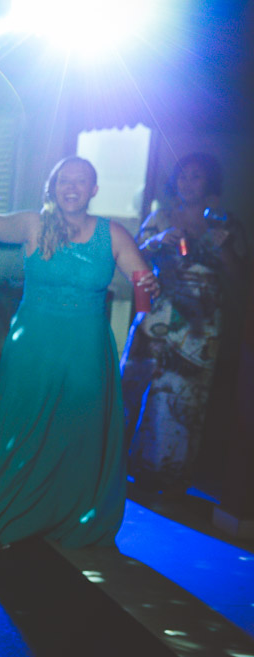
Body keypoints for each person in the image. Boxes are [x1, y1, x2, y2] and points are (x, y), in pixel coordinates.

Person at [0, 157, 157, 552]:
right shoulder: (33, 224)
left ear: (93, 190)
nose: (71, 187)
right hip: (34, 347)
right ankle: (0, 519)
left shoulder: (113, 234)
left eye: (81, 181)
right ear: (53, 186)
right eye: (64, 180)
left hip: (86, 350)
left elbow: (142, 278)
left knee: (78, 432)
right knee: (18, 430)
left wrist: (145, 311)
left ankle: (68, 517)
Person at [120, 153, 248, 492]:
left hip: (201, 323)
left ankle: (165, 474)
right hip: (158, 312)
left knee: (182, 397)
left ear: (209, 184)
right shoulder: (160, 217)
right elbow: (130, 257)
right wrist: (152, 242)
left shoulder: (225, 223)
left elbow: (240, 278)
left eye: (196, 177)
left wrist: (224, 249)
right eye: (183, 176)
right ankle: (116, 464)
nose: (187, 182)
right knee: (134, 385)